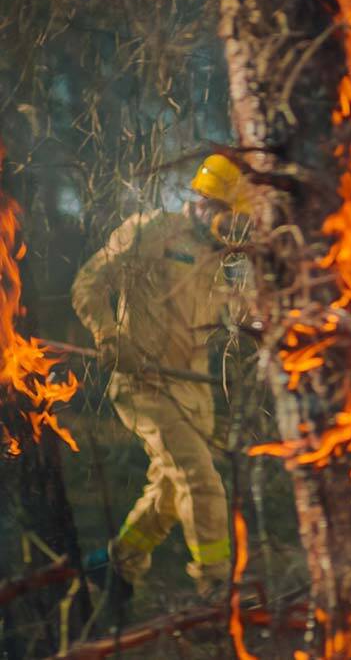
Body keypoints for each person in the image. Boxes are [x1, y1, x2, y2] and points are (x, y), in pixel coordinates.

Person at [73, 154, 242, 602]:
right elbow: (88, 284)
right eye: (227, 214)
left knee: (169, 493)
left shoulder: (225, 258)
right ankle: (215, 584)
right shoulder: (151, 230)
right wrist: (108, 337)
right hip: (142, 385)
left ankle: (117, 562)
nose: (231, 226)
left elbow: (238, 316)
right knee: (199, 480)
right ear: (205, 200)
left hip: (194, 393)